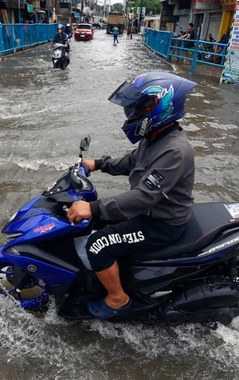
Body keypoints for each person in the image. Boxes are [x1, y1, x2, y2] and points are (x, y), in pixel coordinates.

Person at [66, 72, 197, 319]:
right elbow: (132, 161)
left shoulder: (175, 151)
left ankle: (118, 299)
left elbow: (143, 197)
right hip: (150, 213)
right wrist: (97, 164)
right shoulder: (156, 137)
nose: (130, 116)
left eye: (135, 110)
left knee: (98, 245)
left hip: (162, 223)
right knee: (95, 223)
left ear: (157, 108)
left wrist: (93, 207)